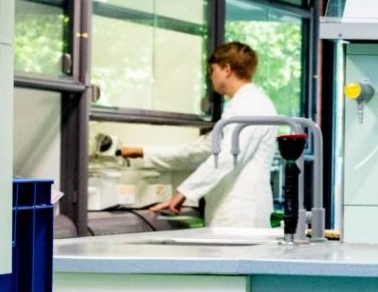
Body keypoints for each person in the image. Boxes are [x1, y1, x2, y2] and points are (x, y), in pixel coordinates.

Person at [119, 42, 280, 229]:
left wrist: (184, 192)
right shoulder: (239, 106)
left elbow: (228, 156)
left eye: (213, 70)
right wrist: (141, 152)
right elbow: (200, 150)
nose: (211, 77)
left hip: (242, 215)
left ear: (227, 69)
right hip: (229, 213)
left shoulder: (252, 105)